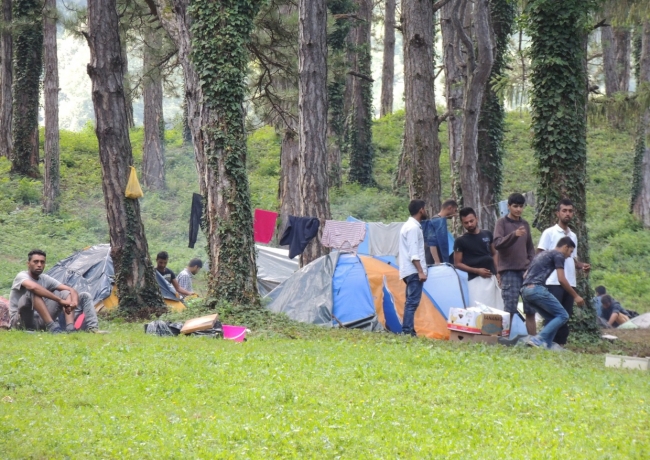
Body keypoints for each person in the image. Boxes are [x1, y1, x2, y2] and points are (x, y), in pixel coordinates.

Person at [537, 199, 590, 346]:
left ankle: (559, 345)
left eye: (570, 211)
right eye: (564, 210)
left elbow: (572, 259)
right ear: (557, 213)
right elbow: (539, 255)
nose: (567, 213)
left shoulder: (573, 236)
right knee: (553, 315)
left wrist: (580, 266)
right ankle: (545, 343)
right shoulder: (549, 233)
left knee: (565, 315)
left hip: (570, 282)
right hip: (553, 281)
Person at [9, 249, 102, 333]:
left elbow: (70, 289)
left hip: (42, 320)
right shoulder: (22, 276)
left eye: (42, 262)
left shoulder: (44, 278)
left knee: (75, 294)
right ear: (28, 264)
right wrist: (59, 300)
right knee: (33, 292)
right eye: (35, 262)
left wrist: (74, 302)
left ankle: (74, 328)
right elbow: (34, 288)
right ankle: (52, 327)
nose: (39, 265)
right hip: (21, 320)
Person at [521, 237, 585, 349]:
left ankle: (547, 347)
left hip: (525, 291)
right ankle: (538, 339)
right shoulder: (558, 255)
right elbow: (561, 279)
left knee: (552, 318)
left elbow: (525, 275)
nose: (570, 256)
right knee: (563, 315)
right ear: (565, 247)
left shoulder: (542, 254)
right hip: (536, 289)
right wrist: (576, 296)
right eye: (570, 252)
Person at [494, 193, 536, 335]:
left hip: (525, 273)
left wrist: (530, 266)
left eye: (521, 206)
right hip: (509, 271)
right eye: (515, 206)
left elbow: (530, 248)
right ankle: (505, 340)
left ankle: (533, 340)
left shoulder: (525, 224)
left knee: (530, 309)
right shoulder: (502, 223)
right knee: (509, 309)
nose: (518, 209)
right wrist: (513, 235)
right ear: (508, 206)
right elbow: (497, 243)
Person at [398, 199, 428, 336]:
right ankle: (407, 331)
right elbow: (413, 253)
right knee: (412, 302)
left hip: (407, 270)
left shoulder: (407, 226)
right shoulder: (413, 228)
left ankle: (410, 330)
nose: (426, 211)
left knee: (410, 301)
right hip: (413, 270)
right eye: (425, 208)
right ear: (421, 209)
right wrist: (420, 271)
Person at [453, 207, 498, 281]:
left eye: (471, 221)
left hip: (492, 276)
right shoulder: (460, 241)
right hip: (474, 279)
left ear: (476, 219)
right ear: (462, 223)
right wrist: (477, 271)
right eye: (466, 223)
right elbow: (457, 264)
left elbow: (494, 254)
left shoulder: (487, 234)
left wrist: (497, 272)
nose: (470, 224)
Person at [423, 199, 458, 265]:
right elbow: (432, 243)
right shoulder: (436, 221)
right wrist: (437, 261)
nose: (455, 214)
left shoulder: (441, 221)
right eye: (455, 210)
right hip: (433, 261)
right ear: (450, 208)